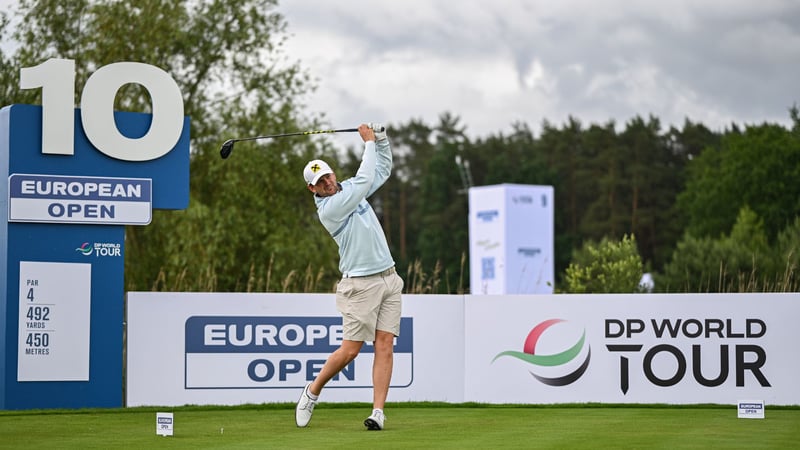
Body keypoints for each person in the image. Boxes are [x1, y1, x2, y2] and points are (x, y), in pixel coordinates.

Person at [296, 123, 403, 431]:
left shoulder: (349, 188)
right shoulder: (330, 208)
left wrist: (381, 140)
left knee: (385, 345)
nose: (327, 183)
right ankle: (312, 391)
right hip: (360, 285)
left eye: (328, 176)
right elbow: (367, 175)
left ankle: (378, 412)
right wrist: (368, 142)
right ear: (312, 190)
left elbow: (380, 170)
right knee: (350, 351)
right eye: (320, 182)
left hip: (389, 278)